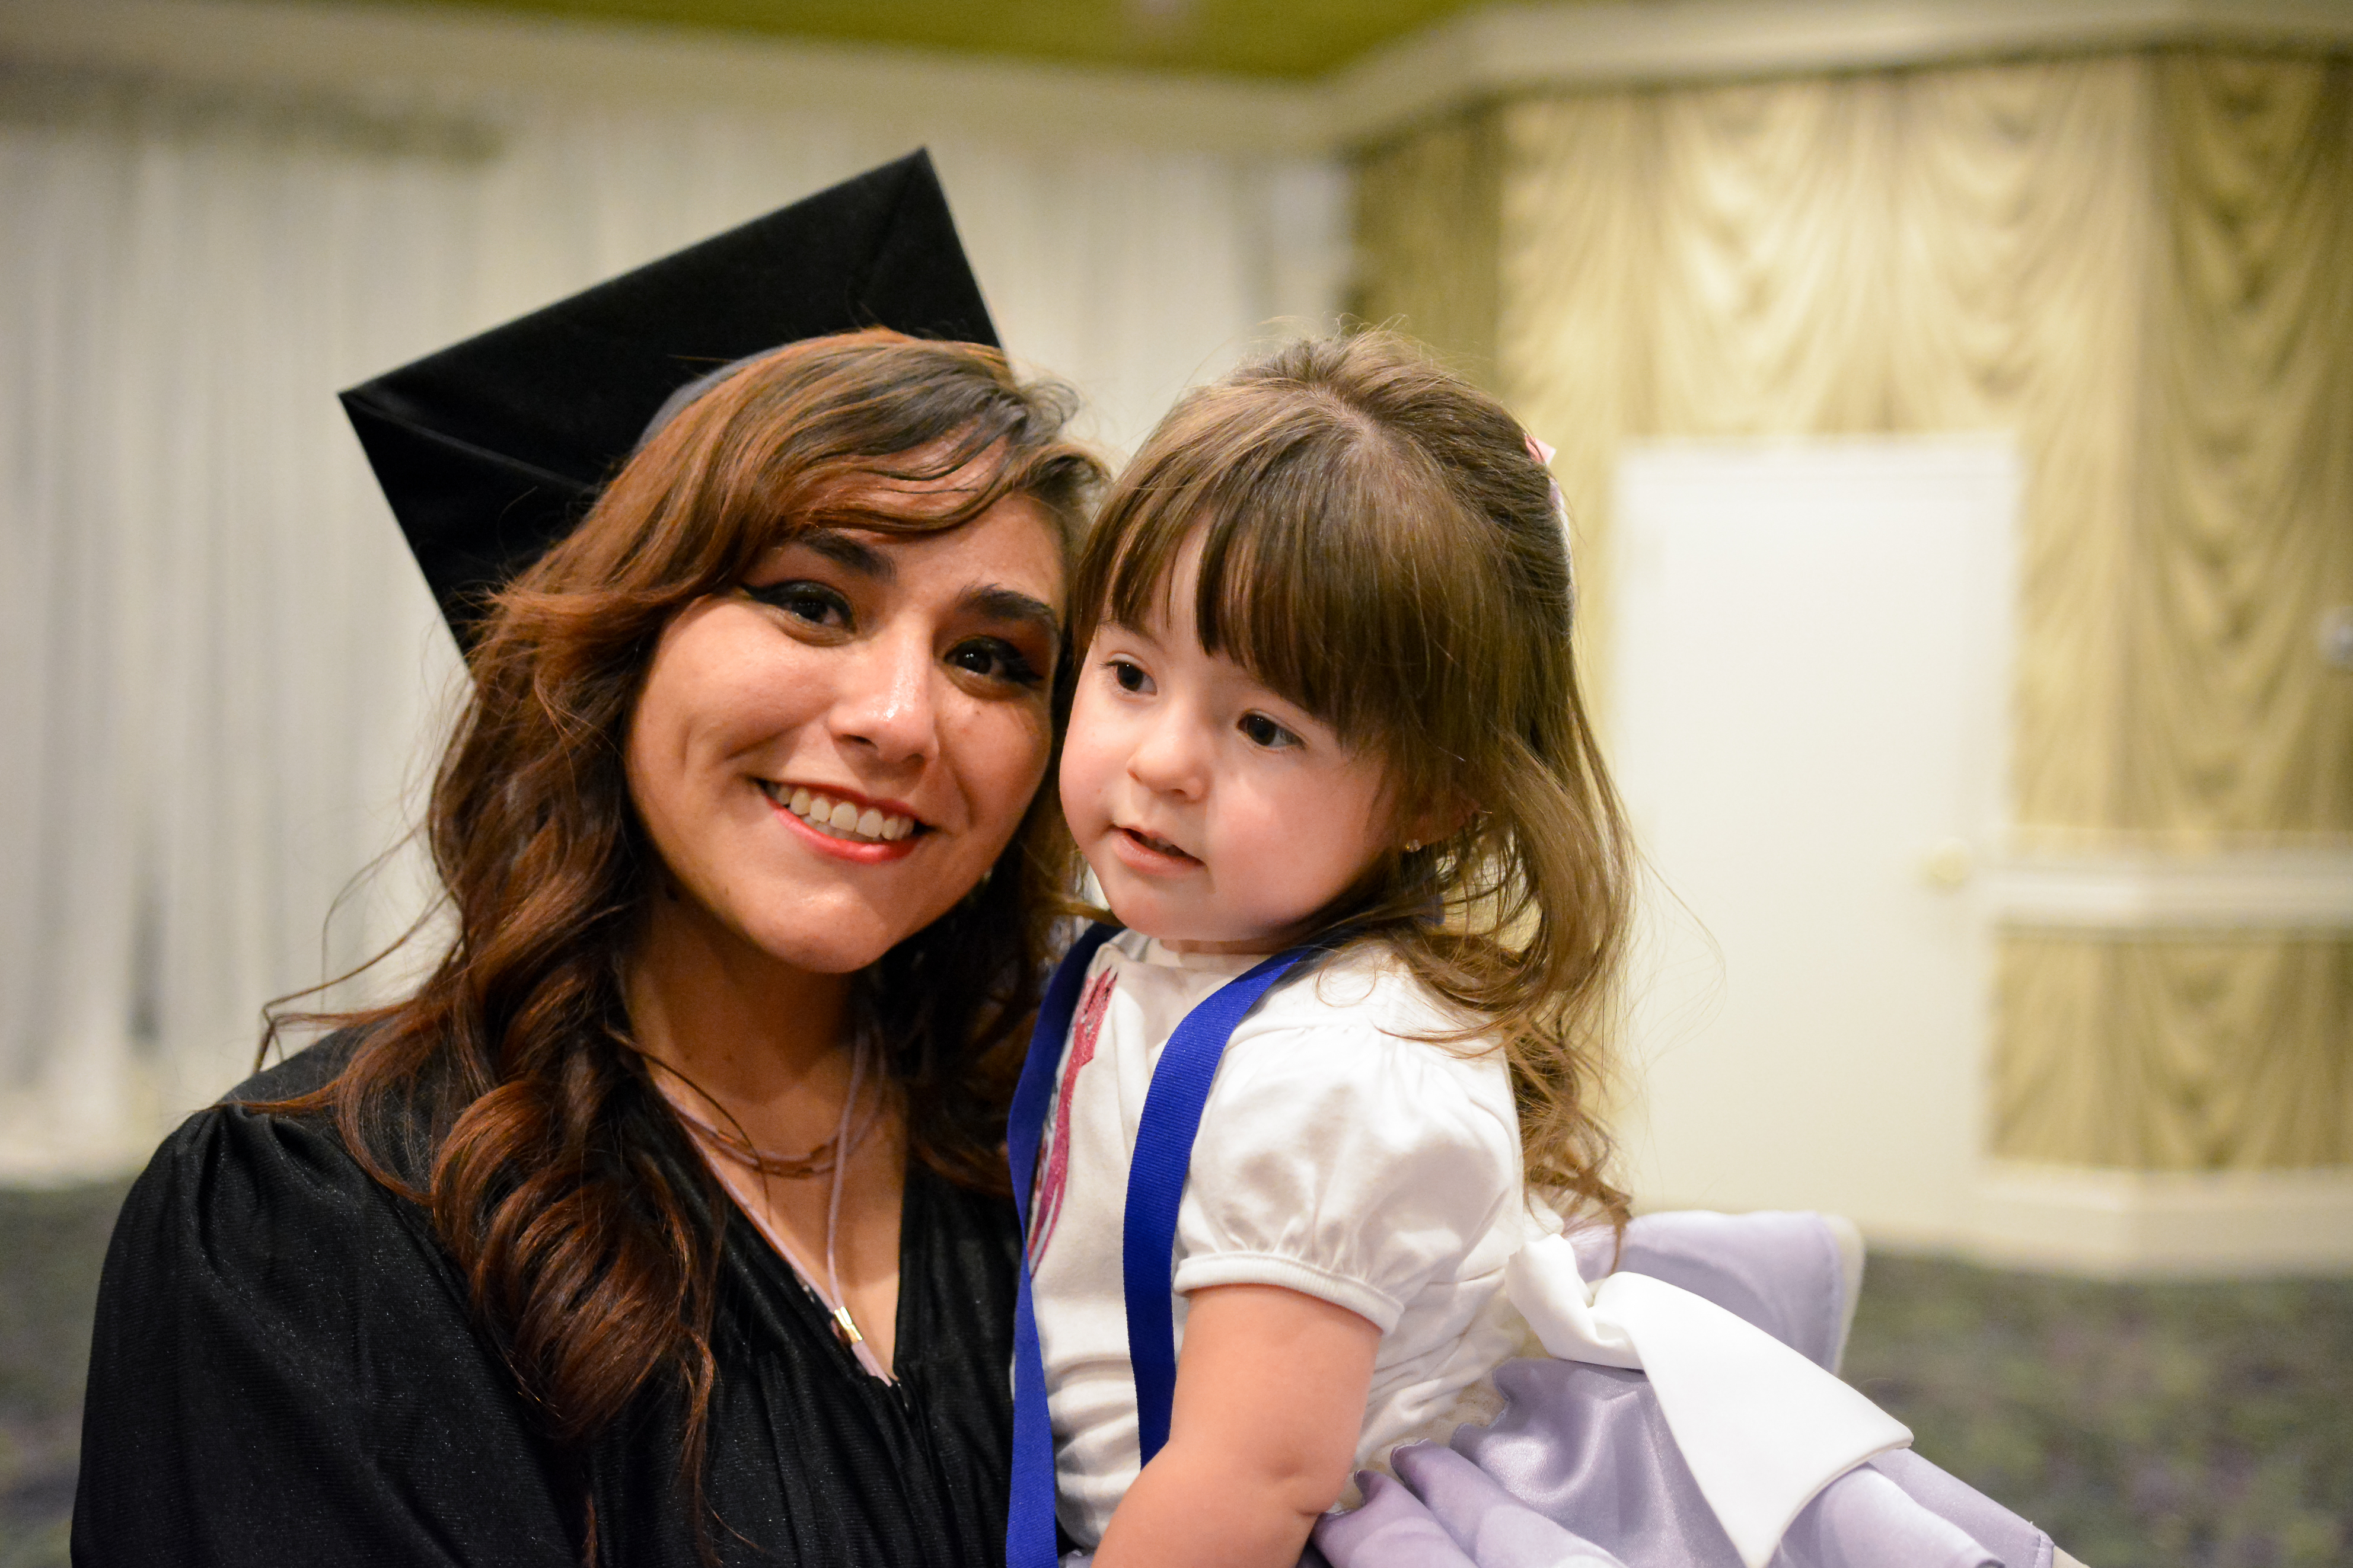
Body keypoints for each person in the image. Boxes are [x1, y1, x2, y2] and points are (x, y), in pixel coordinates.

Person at [74, 156, 1106, 1566]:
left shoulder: (1067, 1163)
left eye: (993, 657)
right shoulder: (318, 1234)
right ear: (617, 654)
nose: (899, 720)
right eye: (811, 600)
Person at [1011, 330, 2074, 1568]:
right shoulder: (1156, 954)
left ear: (1438, 797)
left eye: (1265, 725)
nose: (1161, 760)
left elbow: (1250, 1480)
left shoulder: (1337, 1071)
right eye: (1130, 672)